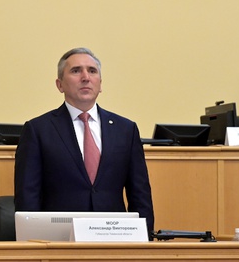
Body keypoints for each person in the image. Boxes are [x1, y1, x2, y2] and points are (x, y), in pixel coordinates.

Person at [14, 47, 155, 233]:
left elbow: (140, 194)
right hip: (59, 238)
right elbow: (27, 195)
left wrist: (145, 239)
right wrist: (32, 241)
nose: (85, 77)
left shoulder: (125, 130)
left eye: (92, 71)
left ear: (100, 84)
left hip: (113, 236)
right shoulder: (38, 130)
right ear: (60, 85)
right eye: (75, 71)